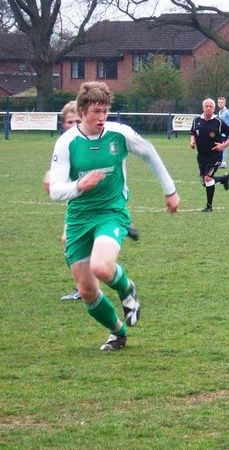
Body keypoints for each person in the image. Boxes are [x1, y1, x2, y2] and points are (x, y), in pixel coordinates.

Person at [48, 82, 180, 351]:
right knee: (86, 290)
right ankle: (117, 332)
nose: (102, 117)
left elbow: (149, 152)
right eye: (96, 111)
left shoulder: (119, 134)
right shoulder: (66, 143)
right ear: (83, 110)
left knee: (102, 267)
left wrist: (170, 191)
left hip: (111, 212)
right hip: (78, 220)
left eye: (105, 111)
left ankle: (127, 288)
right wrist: (79, 186)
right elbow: (55, 190)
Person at [190, 98, 229, 212]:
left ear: (214, 109)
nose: (208, 108)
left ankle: (209, 207)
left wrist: (223, 146)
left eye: (210, 106)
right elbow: (193, 133)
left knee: (208, 178)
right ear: (203, 107)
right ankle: (224, 179)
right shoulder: (197, 120)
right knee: (205, 182)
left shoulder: (218, 122)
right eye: (206, 106)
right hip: (201, 156)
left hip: (215, 156)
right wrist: (192, 141)